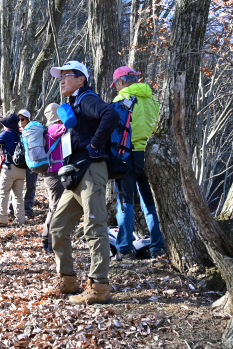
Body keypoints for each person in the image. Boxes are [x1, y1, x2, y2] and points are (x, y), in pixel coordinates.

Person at [47, 61, 119, 304]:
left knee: (95, 226)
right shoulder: (74, 103)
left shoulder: (87, 97)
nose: (62, 79)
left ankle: (99, 287)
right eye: (61, 76)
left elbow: (111, 114)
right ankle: (67, 280)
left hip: (91, 170)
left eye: (67, 75)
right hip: (76, 173)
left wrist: (96, 145)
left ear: (81, 79)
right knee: (57, 227)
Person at [111, 66, 165, 259]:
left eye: (115, 84)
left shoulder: (120, 100)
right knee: (150, 202)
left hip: (127, 155)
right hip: (150, 154)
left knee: (125, 202)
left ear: (120, 82)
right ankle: (158, 247)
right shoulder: (153, 99)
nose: (115, 88)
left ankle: (125, 249)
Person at [41, 103, 67, 253]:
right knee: (56, 208)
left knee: (53, 207)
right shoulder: (55, 128)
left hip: (50, 174)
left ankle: (46, 240)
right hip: (55, 174)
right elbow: (70, 126)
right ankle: (51, 244)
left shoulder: (47, 130)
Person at [16, 108, 38, 220]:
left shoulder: (34, 131)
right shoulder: (14, 132)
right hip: (19, 164)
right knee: (16, 187)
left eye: (23, 119)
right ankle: (15, 208)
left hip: (32, 163)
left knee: (31, 185)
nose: (20, 121)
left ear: (28, 120)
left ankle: (28, 208)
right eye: (19, 119)